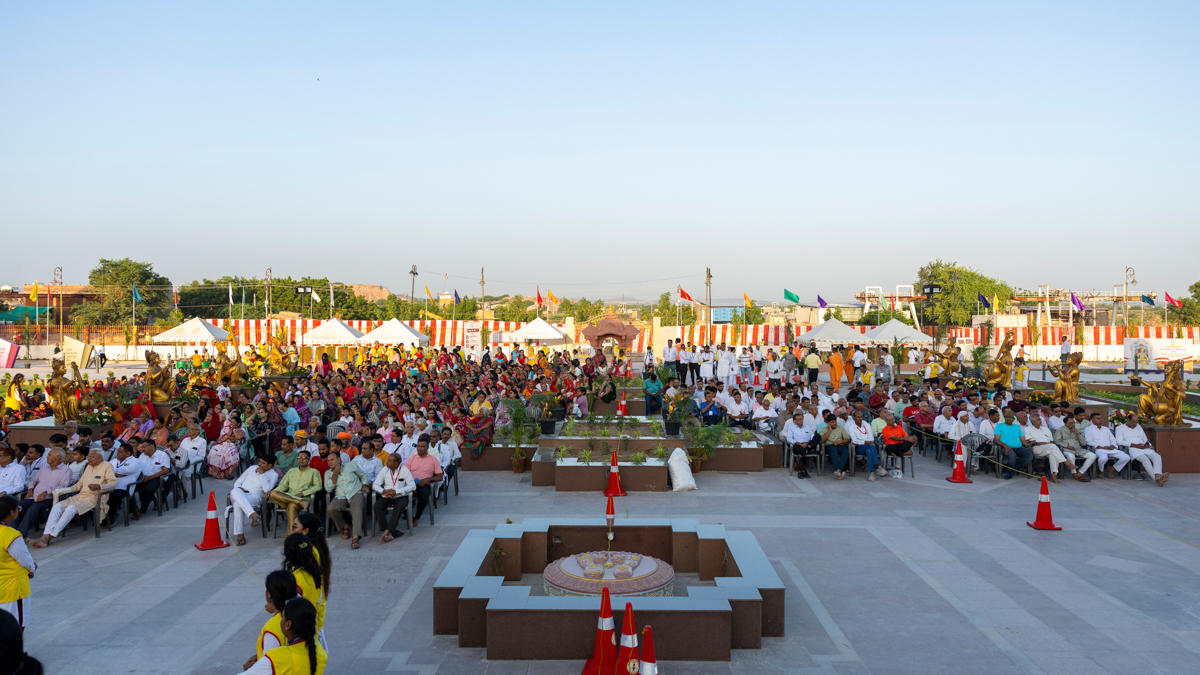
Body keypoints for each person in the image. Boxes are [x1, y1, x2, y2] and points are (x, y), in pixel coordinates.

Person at [29, 449, 115, 548]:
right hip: (80, 496)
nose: (89, 459)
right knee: (57, 506)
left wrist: (99, 487)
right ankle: (45, 536)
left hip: (94, 497)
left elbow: (113, 484)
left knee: (70, 509)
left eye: (91, 457)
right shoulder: (88, 466)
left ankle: (50, 537)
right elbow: (78, 486)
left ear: (99, 457)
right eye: (88, 456)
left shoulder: (107, 466)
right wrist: (61, 491)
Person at [243, 596, 327, 675]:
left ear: (288, 624)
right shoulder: (319, 650)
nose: (280, 620)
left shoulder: (276, 658)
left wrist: (257, 667)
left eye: (282, 617)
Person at [279, 533, 328, 651]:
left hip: (300, 635)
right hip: (314, 626)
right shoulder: (315, 571)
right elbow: (321, 601)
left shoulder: (296, 580)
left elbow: (291, 611)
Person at [243, 569, 298, 670]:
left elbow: (270, 667)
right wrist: (259, 656)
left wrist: (254, 667)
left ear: (269, 595)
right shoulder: (299, 614)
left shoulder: (272, 627)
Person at [15, 447, 71, 537]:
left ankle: (20, 534)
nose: (46, 457)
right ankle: (11, 531)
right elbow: (33, 480)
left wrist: (46, 492)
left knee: (33, 508)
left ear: (57, 457)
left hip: (50, 498)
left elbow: (63, 487)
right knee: (16, 506)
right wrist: (30, 490)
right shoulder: (45, 468)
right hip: (34, 496)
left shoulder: (66, 470)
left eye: (49, 455)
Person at [0, 496, 35, 632]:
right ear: (11, 512)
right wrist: (31, 568)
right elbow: (25, 560)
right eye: (17, 509)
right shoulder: (11, 535)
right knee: (14, 627)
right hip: (13, 589)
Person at [229, 455, 280, 546]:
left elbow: (267, 489)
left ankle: (240, 535)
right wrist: (239, 488)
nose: (259, 464)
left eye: (263, 463)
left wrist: (262, 475)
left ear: (270, 466)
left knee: (237, 505)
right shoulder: (251, 468)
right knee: (234, 490)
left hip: (255, 497)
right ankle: (253, 514)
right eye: (260, 461)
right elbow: (238, 481)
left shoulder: (274, 475)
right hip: (241, 493)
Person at [267, 450, 321, 534]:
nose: (301, 460)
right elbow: (282, 486)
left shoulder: (314, 472)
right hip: (288, 497)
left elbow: (318, 486)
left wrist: (303, 493)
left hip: (304, 497)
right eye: (299, 458)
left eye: (304, 458)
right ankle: (299, 502)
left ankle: (291, 535)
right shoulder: (291, 471)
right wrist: (273, 491)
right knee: (273, 493)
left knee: (292, 505)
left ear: (309, 460)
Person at [324, 453, 368, 549]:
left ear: (339, 459)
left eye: (332, 460)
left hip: (355, 493)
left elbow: (363, 475)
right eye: (328, 460)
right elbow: (328, 489)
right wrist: (335, 473)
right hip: (340, 496)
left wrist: (364, 485)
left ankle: (355, 537)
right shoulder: (328, 473)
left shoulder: (351, 466)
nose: (329, 462)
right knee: (331, 508)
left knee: (356, 508)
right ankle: (345, 526)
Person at [373, 452, 416, 543]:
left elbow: (412, 486)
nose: (386, 462)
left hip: (400, 496)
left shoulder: (404, 470)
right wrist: (383, 491)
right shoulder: (384, 470)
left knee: (400, 506)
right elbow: (375, 485)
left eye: (389, 461)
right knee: (377, 506)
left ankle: (386, 532)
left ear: (396, 464)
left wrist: (396, 491)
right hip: (387, 495)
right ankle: (390, 532)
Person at [1024, 415, 1079, 484]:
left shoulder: (1045, 429)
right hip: (1036, 448)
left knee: (1053, 454)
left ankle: (1053, 475)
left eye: (1040, 419)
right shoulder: (1028, 429)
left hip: (1049, 448)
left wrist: (1047, 444)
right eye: (1038, 420)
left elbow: (1052, 441)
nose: (1040, 421)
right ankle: (1067, 463)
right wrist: (1041, 443)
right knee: (1052, 447)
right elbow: (1028, 442)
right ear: (1033, 422)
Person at [1116, 413, 1168, 486]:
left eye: (1137, 422)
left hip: (1143, 447)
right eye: (1134, 422)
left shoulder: (1138, 427)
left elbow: (1145, 439)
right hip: (1132, 448)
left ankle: (1158, 475)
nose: (1135, 424)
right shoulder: (1120, 428)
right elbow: (1119, 441)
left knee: (1157, 457)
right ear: (1128, 420)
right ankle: (1157, 478)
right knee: (1145, 459)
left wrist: (1147, 444)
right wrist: (1135, 445)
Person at [403, 436, 443, 524]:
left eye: (423, 446)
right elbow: (404, 474)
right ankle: (408, 516)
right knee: (400, 496)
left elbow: (440, 476)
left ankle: (417, 517)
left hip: (424, 485)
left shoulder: (433, 460)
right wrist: (415, 482)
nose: (420, 448)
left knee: (424, 496)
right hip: (410, 483)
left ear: (427, 448)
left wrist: (427, 479)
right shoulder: (411, 459)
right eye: (418, 446)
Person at [131, 439, 170, 519]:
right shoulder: (142, 456)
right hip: (143, 478)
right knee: (129, 488)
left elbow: (165, 470)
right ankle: (133, 509)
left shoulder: (162, 455)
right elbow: (137, 468)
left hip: (157, 478)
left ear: (152, 446)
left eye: (144, 447)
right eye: (142, 447)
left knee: (149, 488)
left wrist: (149, 478)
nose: (142, 449)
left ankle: (142, 510)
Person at [1083, 413, 1128, 478]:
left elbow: (1113, 439)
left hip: (1110, 449)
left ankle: (1112, 469)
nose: (1100, 420)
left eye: (1101, 418)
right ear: (1092, 420)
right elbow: (1089, 441)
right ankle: (1100, 470)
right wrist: (1100, 447)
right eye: (1098, 418)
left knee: (1126, 457)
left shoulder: (1106, 429)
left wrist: (1113, 445)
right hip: (1099, 449)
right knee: (1103, 458)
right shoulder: (1088, 429)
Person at [1052, 416, 1095, 481]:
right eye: (1071, 423)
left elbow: (1083, 443)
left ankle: (1080, 472)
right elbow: (1057, 441)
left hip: (1078, 449)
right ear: (1065, 424)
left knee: (1093, 456)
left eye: (1074, 423)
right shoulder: (1060, 430)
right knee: (1071, 457)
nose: (1073, 424)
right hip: (1067, 449)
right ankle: (1074, 473)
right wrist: (1067, 446)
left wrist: (1078, 433)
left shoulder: (1076, 430)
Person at [992, 411, 1032, 480]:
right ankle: (1010, 473)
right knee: (1012, 456)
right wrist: (1005, 445)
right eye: (1007, 417)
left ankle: (1010, 469)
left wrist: (1026, 444)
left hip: (1018, 447)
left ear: (1013, 419)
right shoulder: (999, 426)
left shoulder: (1017, 427)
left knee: (1029, 456)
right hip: (1005, 447)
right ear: (1004, 418)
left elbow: (1022, 440)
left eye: (1010, 417)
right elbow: (997, 440)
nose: (1008, 419)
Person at [845, 411, 879, 480]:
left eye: (861, 417)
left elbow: (871, 437)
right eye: (858, 417)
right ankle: (877, 466)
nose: (860, 418)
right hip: (858, 448)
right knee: (871, 446)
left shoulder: (866, 425)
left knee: (869, 451)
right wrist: (866, 442)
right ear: (854, 418)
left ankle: (872, 472)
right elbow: (854, 440)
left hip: (866, 446)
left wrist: (864, 442)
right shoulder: (852, 427)